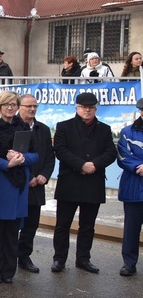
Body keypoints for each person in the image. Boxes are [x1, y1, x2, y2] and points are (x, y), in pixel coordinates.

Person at [51, 92, 116, 274]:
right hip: (69, 181)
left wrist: (94, 165)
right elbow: (60, 150)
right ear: (77, 108)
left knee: (87, 226)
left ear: (95, 108)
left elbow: (110, 152)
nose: (87, 110)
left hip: (93, 182)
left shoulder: (104, 129)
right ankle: (59, 259)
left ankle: (83, 259)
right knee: (63, 224)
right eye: (83, 107)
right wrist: (81, 165)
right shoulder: (64, 127)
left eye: (90, 107)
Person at [0, 91, 37, 284]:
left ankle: (8, 270)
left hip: (18, 184)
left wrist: (21, 159)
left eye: (13, 104)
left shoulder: (24, 127)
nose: (10, 108)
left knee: (12, 230)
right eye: (6, 104)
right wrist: (6, 163)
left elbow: (36, 155)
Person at [17, 94, 55, 274]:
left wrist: (44, 175)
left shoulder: (43, 130)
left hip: (37, 185)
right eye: (28, 106)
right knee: (13, 223)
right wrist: (29, 176)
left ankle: (24, 256)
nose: (32, 109)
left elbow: (49, 155)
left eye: (35, 106)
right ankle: (9, 255)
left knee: (31, 224)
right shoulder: (13, 127)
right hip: (18, 184)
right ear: (19, 106)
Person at [117, 99, 143, 277]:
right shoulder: (128, 132)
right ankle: (129, 263)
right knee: (131, 229)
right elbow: (123, 156)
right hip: (134, 187)